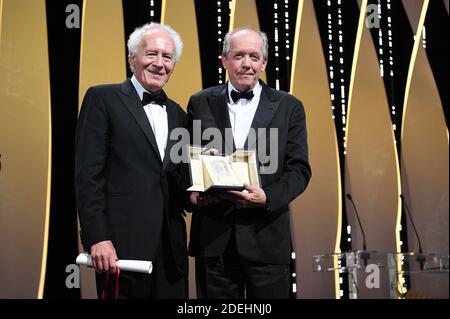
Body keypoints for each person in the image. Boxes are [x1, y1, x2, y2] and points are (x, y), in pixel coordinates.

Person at [187, 28, 312, 299]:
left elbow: (299, 169)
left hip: (266, 236)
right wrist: (195, 190)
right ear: (224, 60)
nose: (247, 64)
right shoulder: (200, 102)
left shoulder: (289, 106)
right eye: (239, 55)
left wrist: (267, 197)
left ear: (264, 63)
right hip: (213, 238)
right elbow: (188, 159)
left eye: (255, 56)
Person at [75, 23, 189, 299]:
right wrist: (97, 237)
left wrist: (203, 186)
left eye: (167, 57)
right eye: (152, 54)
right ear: (132, 58)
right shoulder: (102, 98)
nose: (160, 63)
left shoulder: (178, 114)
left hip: (171, 253)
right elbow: (88, 176)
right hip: (120, 249)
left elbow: (176, 180)